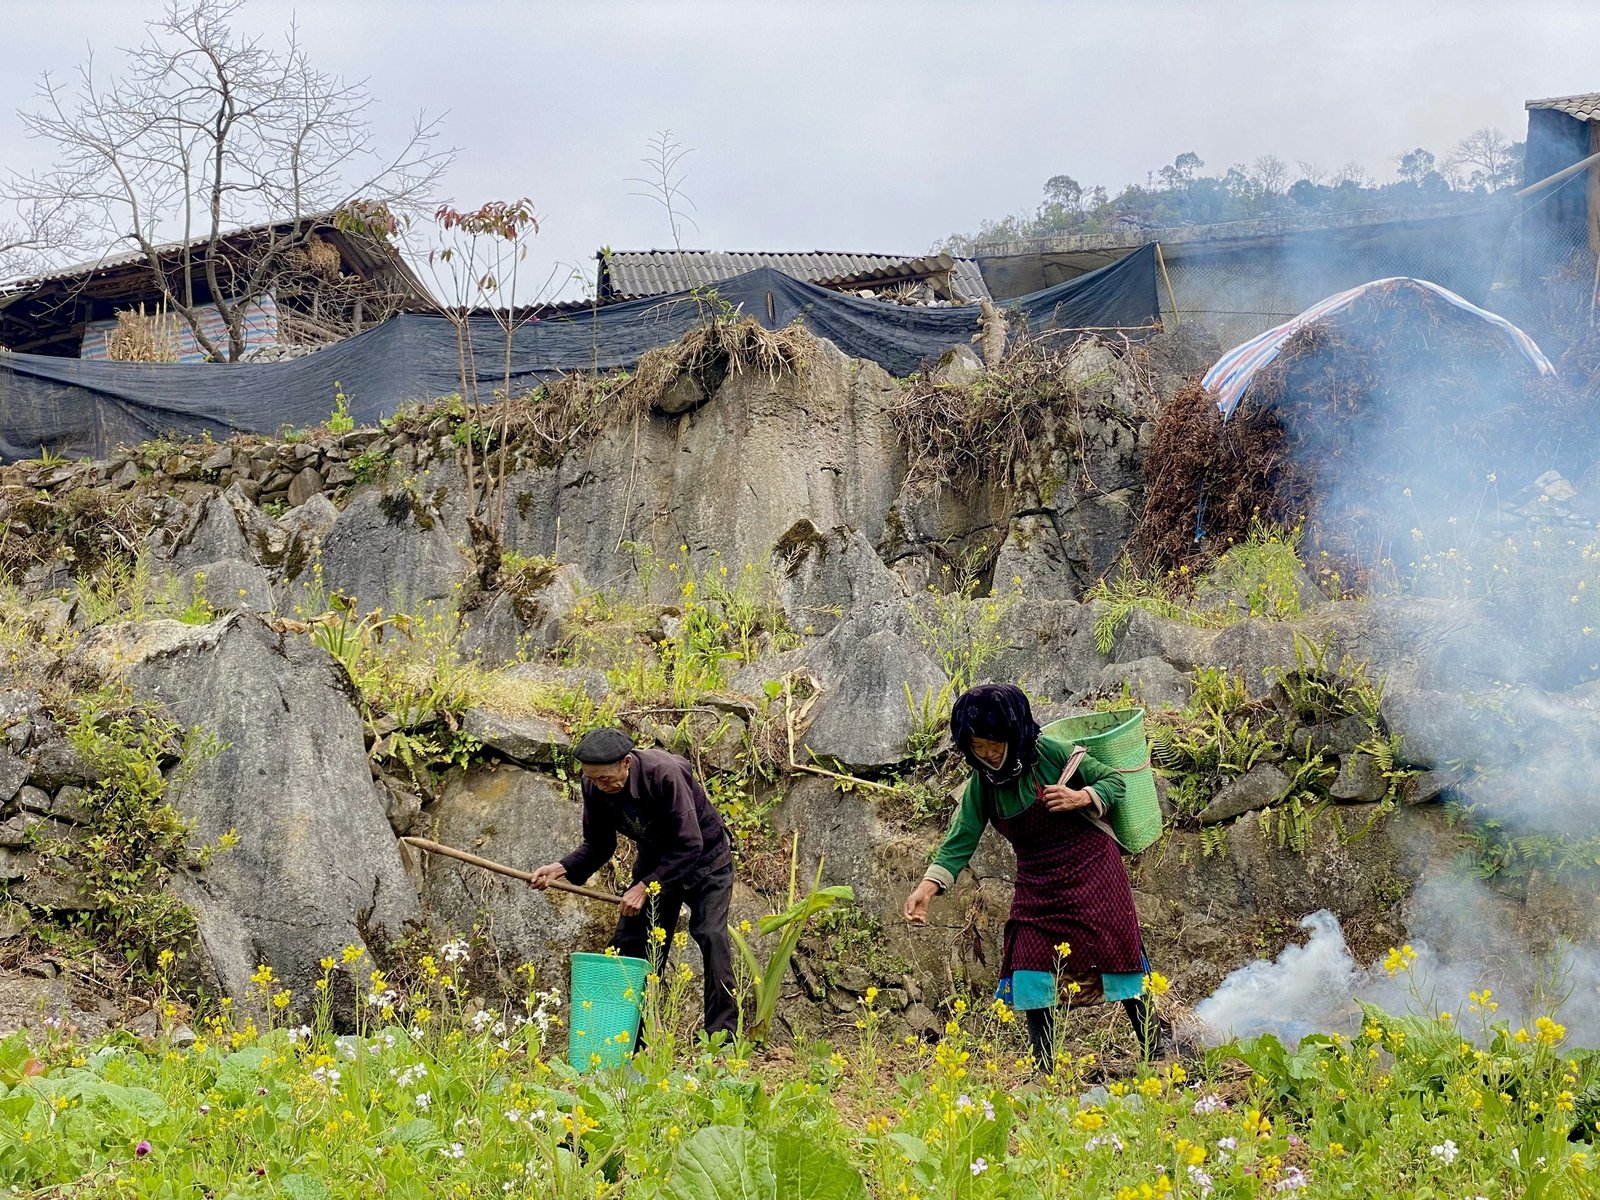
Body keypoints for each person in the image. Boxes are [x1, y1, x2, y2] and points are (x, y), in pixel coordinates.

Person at [902, 683, 1169, 1070]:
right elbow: (961, 837)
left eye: (995, 743)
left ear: (1015, 734)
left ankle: (1156, 1052)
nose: (989, 753)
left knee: (1120, 954)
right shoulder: (983, 786)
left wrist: (1082, 797)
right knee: (1028, 965)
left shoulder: (1051, 753)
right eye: (979, 746)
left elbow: (1115, 780)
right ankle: (1043, 1069)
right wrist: (928, 887)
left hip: (1094, 869)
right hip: (1037, 879)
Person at [528, 728, 737, 1040]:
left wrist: (643, 886)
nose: (599, 785)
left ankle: (721, 1037)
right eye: (592, 778)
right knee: (633, 941)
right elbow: (598, 844)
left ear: (626, 762)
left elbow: (690, 843)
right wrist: (560, 869)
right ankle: (625, 1038)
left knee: (710, 934)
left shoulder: (663, 774)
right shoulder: (594, 785)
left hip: (706, 859)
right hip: (656, 859)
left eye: (605, 779)